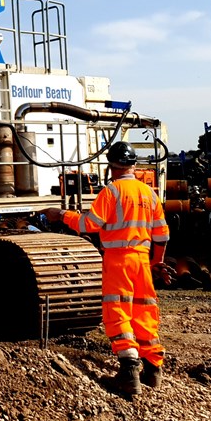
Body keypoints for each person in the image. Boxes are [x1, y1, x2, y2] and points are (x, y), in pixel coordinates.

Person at [41, 141, 169, 396]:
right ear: (133, 165)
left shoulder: (111, 192)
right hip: (142, 259)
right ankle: (153, 369)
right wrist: (156, 262)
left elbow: (90, 224)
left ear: (112, 167)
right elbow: (162, 235)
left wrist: (63, 215)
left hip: (118, 260)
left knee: (118, 310)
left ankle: (129, 372)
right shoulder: (149, 193)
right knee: (144, 310)